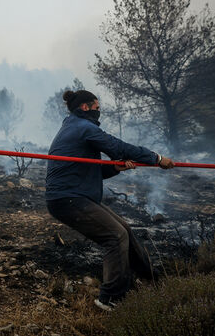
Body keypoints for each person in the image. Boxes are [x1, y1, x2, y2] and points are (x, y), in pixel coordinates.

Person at [45, 89, 174, 311]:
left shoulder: (73, 126)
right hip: (68, 198)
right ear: (85, 107)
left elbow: (89, 171)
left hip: (75, 195)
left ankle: (154, 282)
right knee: (116, 236)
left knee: (124, 229)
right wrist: (156, 158)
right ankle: (109, 299)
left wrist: (115, 167)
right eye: (97, 107)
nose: (99, 111)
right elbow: (118, 147)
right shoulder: (83, 127)